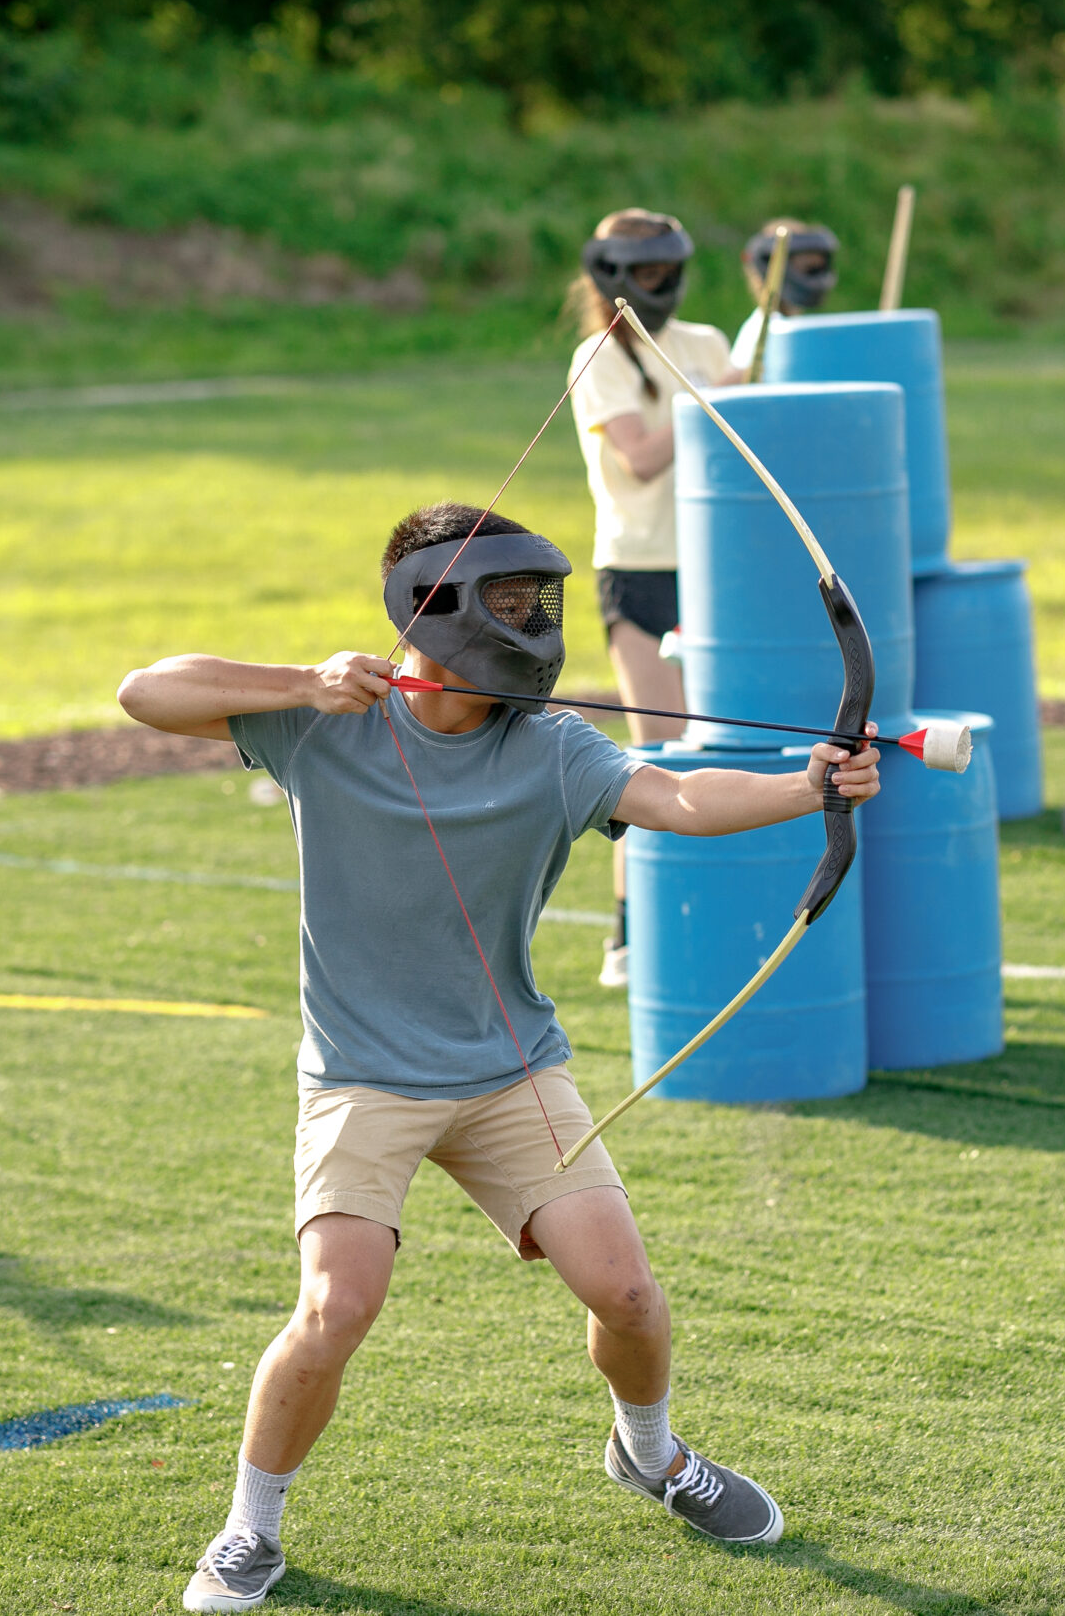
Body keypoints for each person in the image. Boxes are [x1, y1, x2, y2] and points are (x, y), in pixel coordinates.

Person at [117, 502, 881, 1613]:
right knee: (336, 1309)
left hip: (511, 1071)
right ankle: (250, 1528)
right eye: (506, 600)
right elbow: (145, 691)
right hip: (362, 1079)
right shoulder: (323, 724)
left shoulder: (554, 745)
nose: (530, 621)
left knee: (624, 1289)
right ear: (429, 608)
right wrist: (300, 679)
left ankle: (651, 1454)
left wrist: (811, 784)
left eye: (537, 599)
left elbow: (672, 795)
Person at [568, 208, 743, 987]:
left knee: (729, 744)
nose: (661, 287)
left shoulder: (703, 345)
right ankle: (629, 934)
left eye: (670, 271)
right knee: (659, 753)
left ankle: (715, 913)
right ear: (611, 275)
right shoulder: (599, 356)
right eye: (646, 274)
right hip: (638, 572)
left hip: (720, 566)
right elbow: (639, 459)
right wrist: (713, 399)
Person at [729, 218, 841, 370]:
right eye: (804, 261)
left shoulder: (789, 326)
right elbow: (740, 380)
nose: (813, 266)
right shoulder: (764, 330)